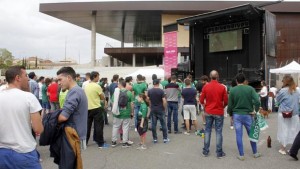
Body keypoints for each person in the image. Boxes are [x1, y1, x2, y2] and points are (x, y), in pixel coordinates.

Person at [0, 66, 43, 169]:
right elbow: (38, 129)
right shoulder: (28, 97)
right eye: (26, 75)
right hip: (24, 152)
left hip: (2, 152)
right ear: (18, 78)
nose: (28, 79)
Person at [227, 73, 261, 161]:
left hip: (237, 115)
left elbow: (230, 105)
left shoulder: (233, 90)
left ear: (236, 81)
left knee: (239, 135)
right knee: (251, 134)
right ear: (245, 80)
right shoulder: (250, 89)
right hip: (248, 114)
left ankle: (241, 155)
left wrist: (230, 114)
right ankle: (255, 153)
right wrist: (255, 111)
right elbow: (257, 101)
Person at [56, 67, 88, 150]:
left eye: (60, 80)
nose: (58, 83)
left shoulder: (74, 91)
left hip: (73, 136)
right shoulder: (77, 90)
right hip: (76, 134)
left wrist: (49, 121)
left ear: (69, 78)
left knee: (70, 162)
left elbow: (63, 117)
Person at [200, 70, 228, 158]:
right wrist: (222, 107)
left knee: (207, 130)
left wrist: (206, 106)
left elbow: (201, 100)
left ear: (210, 76)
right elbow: (226, 101)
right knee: (218, 131)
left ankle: (205, 151)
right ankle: (219, 153)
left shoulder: (205, 87)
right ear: (218, 76)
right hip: (219, 111)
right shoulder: (222, 87)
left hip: (208, 111)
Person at [276, 75, 300, 155]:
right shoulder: (297, 90)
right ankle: (292, 149)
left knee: (284, 130)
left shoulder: (283, 91)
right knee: (294, 130)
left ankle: (283, 148)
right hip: (295, 114)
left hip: (284, 114)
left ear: (285, 82)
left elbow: (277, 100)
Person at [84, 71, 107, 148]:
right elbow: (102, 97)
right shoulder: (97, 86)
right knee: (98, 126)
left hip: (87, 108)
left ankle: (85, 142)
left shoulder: (86, 86)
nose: (99, 78)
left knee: (87, 126)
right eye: (98, 76)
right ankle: (100, 143)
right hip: (96, 108)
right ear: (94, 77)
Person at [111, 79, 134, 148]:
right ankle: (124, 142)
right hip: (126, 113)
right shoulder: (129, 93)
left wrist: (114, 111)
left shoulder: (116, 93)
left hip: (117, 113)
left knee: (115, 126)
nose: (117, 85)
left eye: (118, 84)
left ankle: (113, 142)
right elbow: (132, 104)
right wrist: (132, 112)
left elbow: (112, 102)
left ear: (120, 85)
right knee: (125, 127)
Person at [148, 79, 169, 143]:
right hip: (160, 109)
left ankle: (155, 139)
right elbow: (164, 101)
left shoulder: (150, 91)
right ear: (158, 84)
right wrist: (164, 108)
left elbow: (148, 100)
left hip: (153, 109)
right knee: (163, 124)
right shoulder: (161, 91)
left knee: (154, 124)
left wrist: (150, 106)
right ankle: (165, 138)